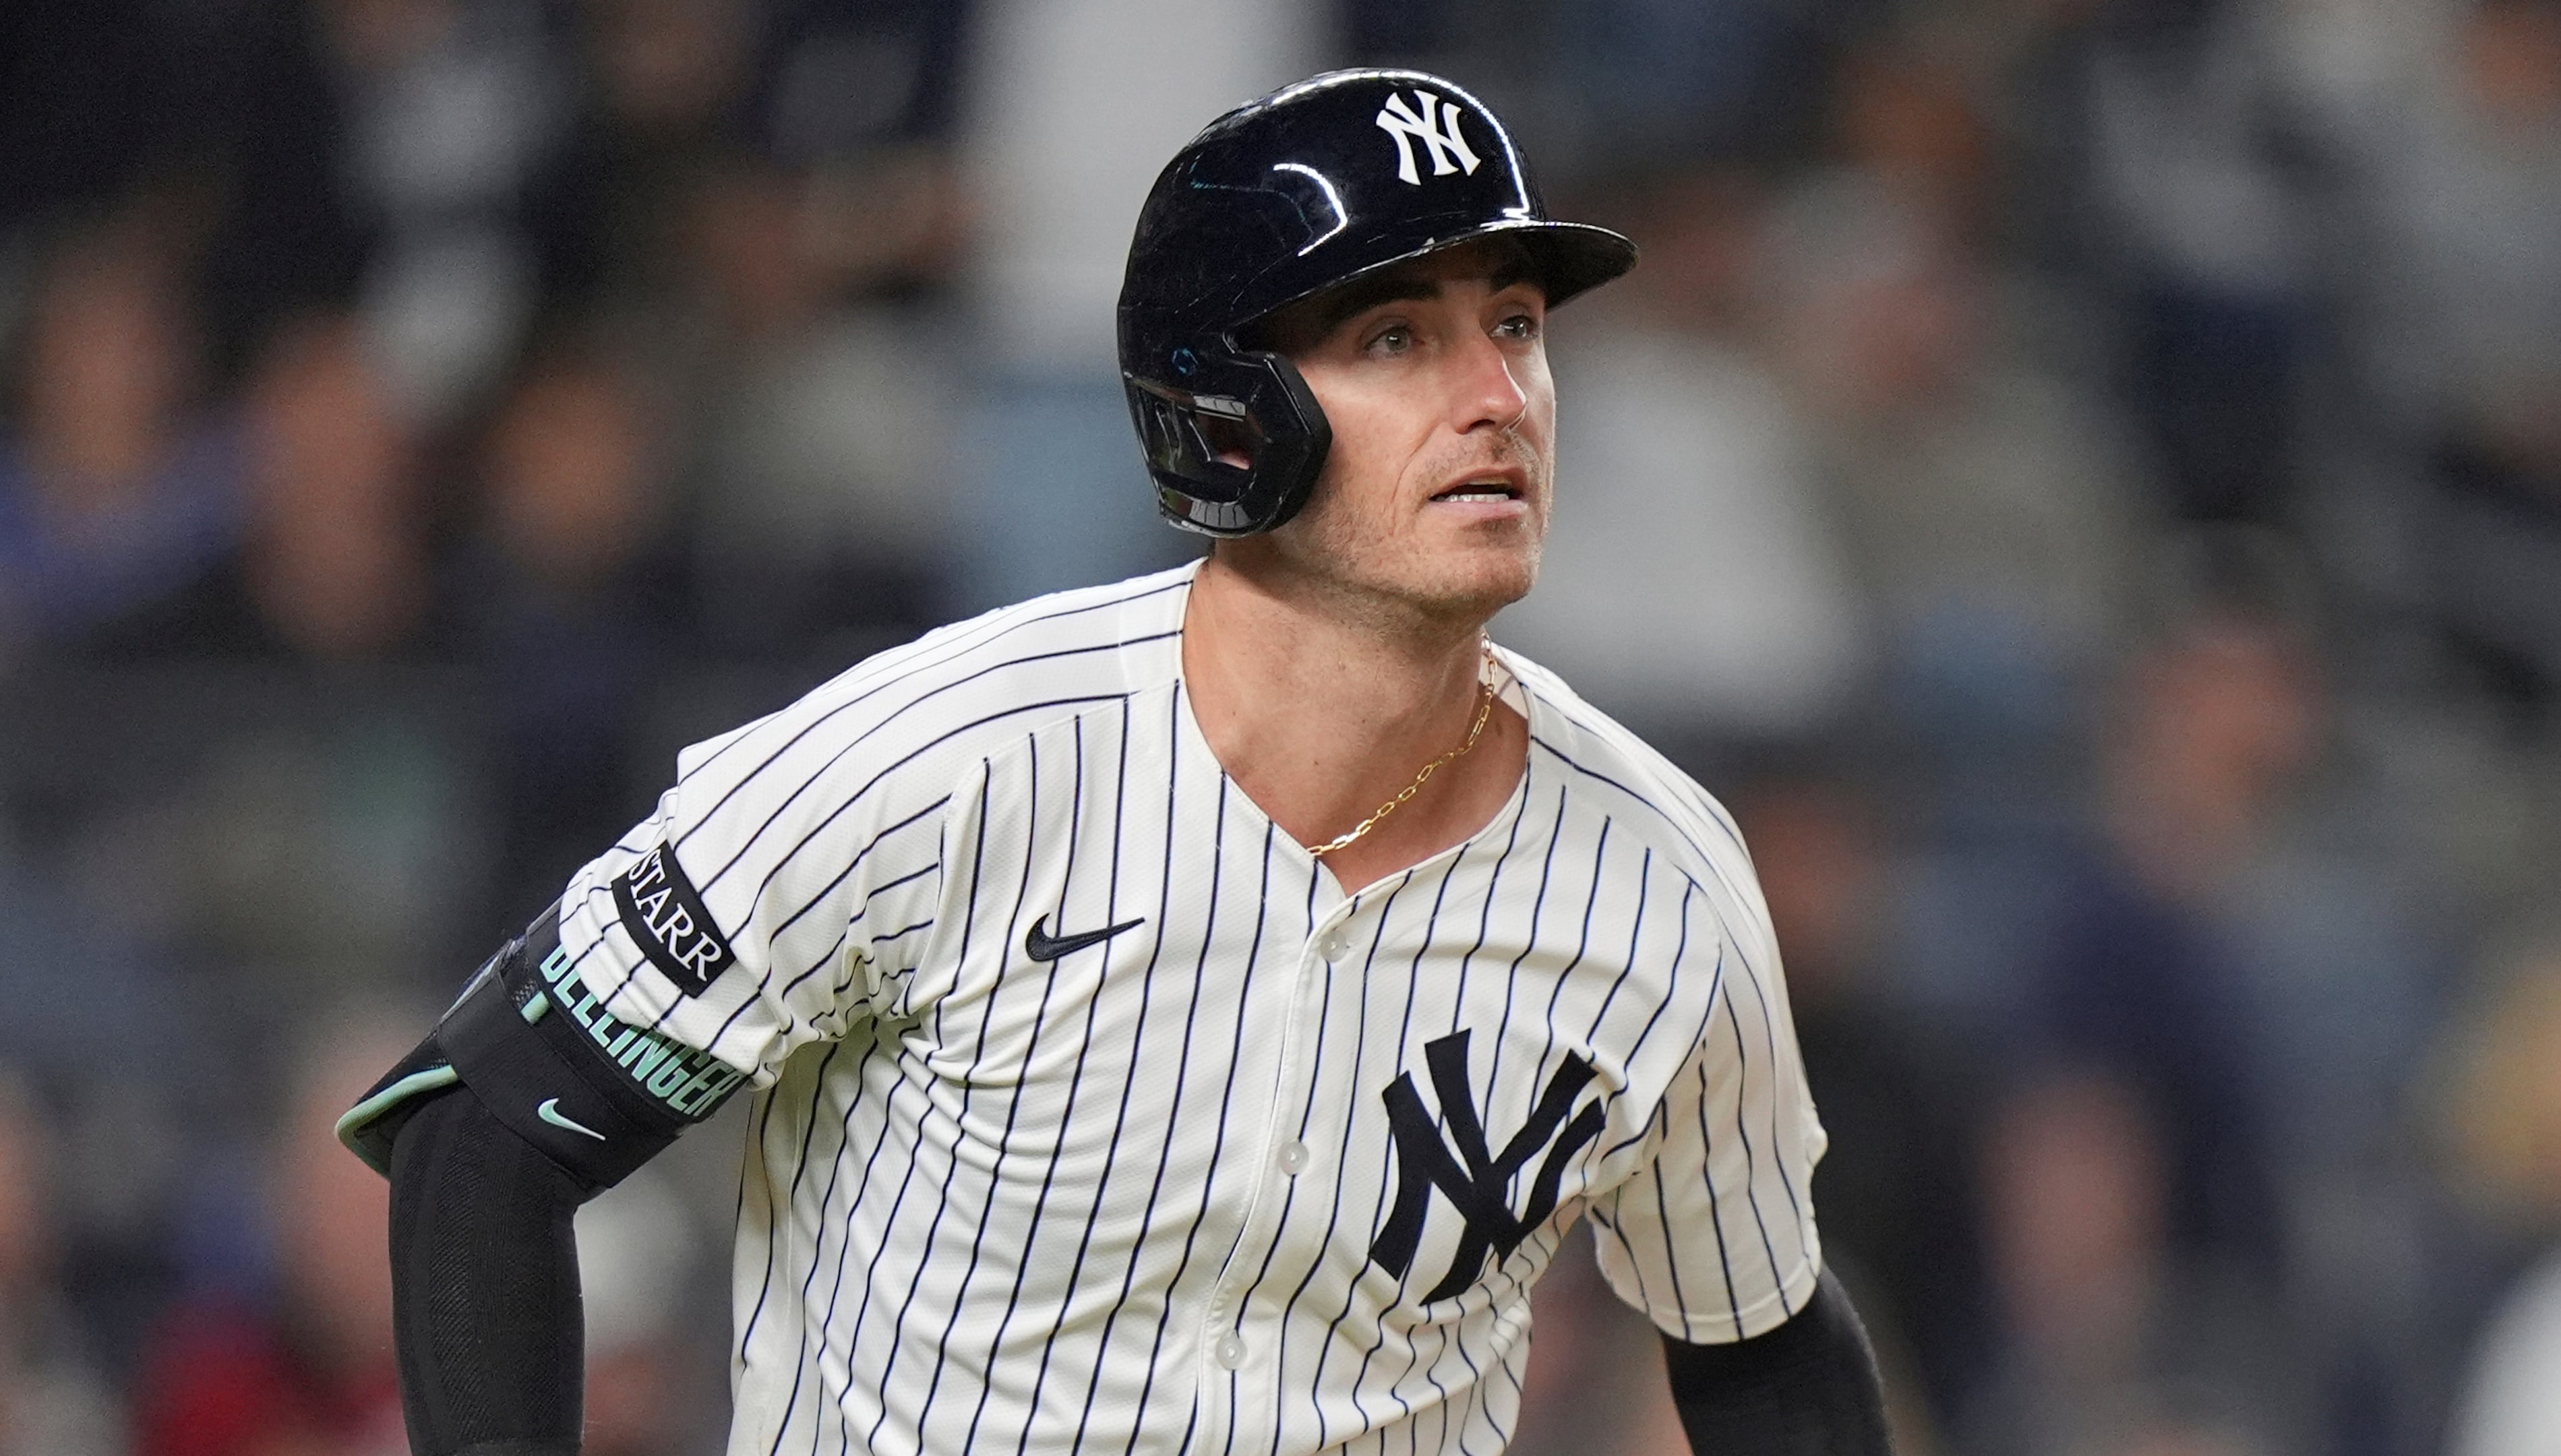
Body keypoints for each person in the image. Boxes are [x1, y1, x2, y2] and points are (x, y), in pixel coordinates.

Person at [338, 67, 1891, 1456]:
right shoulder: (944, 766)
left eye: (1516, 327)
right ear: (1231, 415)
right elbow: (483, 1135)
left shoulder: (1663, 880)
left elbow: (1761, 1345)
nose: (1496, 396)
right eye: (1398, 336)